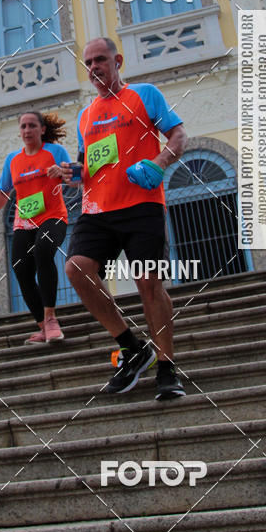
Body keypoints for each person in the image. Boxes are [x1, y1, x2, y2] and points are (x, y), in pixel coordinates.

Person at [65, 37, 188, 399]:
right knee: (75, 268)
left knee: (148, 282)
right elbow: (87, 166)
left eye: (100, 59)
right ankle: (133, 347)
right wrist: (68, 172)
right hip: (97, 210)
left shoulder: (144, 95)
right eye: (88, 63)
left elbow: (178, 135)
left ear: (117, 60)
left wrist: (160, 162)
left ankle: (166, 367)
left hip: (142, 204)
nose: (94, 68)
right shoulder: (85, 116)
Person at [0, 112, 73, 344]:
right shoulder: (13, 160)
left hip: (53, 217)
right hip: (25, 221)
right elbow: (4, 190)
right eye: (23, 126)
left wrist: (62, 172)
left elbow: (75, 178)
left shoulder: (54, 152)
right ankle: (43, 326)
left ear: (42, 130)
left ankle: (51, 318)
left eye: (32, 125)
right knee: (20, 268)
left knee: (43, 251)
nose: (27, 130)